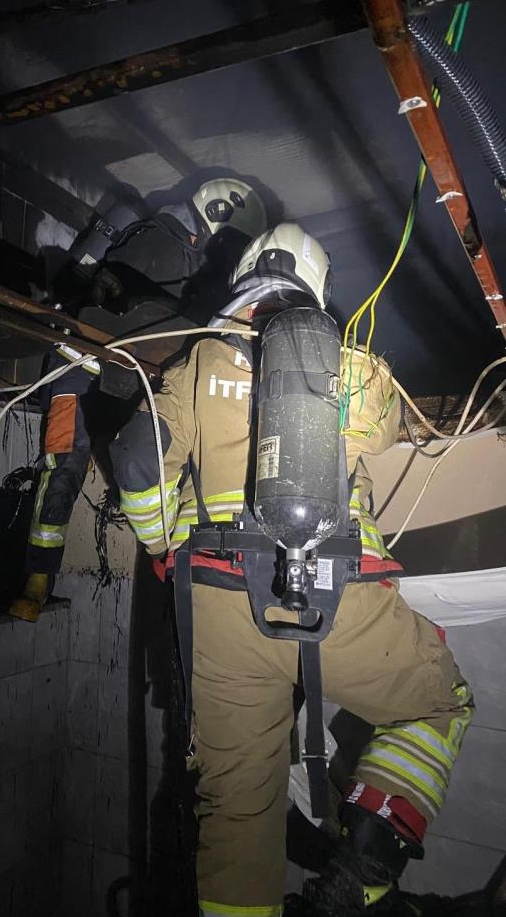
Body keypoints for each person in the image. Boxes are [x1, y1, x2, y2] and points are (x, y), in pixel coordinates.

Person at [109, 223, 474, 916]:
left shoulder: (196, 362)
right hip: (338, 602)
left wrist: (162, 548)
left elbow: (134, 459)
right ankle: (359, 876)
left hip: (219, 615)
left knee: (237, 810)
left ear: (244, 279)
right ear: (313, 287)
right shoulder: (348, 362)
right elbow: (392, 427)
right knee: (437, 705)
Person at [8, 178, 267, 622]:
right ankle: (38, 575)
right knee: (62, 466)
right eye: (232, 240)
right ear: (217, 220)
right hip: (77, 368)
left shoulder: (180, 252)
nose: (227, 252)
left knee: (101, 465)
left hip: (118, 381)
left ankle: (45, 575)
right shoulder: (163, 245)